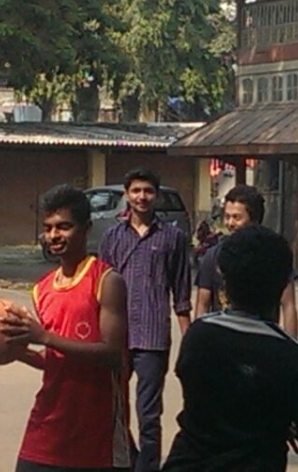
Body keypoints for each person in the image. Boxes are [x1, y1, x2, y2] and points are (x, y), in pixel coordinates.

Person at [164, 225, 298, 472]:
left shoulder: (199, 335)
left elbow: (204, 399)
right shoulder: (292, 356)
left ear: (224, 282)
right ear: (283, 285)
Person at [0, 185, 130, 472]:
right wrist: (18, 352)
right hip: (47, 425)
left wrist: (44, 336)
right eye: (48, 228)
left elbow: (113, 354)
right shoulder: (42, 289)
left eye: (64, 227)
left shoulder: (107, 281)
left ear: (86, 229)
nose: (54, 235)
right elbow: (57, 361)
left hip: (96, 430)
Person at [98, 168, 191, 472]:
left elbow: (181, 294)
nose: (142, 197)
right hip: (117, 337)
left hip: (153, 337)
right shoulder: (112, 237)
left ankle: (148, 467)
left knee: (149, 415)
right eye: (136, 191)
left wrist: (189, 340)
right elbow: (99, 289)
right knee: (112, 408)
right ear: (127, 195)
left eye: (148, 191)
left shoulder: (173, 238)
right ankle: (130, 461)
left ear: (157, 195)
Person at [195, 185, 298, 336]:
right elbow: (202, 305)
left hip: (263, 337)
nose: (230, 223)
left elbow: (288, 305)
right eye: (227, 217)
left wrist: (291, 344)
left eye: (237, 217)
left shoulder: (274, 254)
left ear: (254, 219)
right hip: (222, 340)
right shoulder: (213, 256)